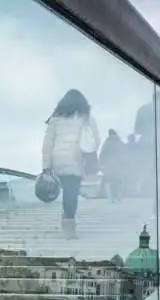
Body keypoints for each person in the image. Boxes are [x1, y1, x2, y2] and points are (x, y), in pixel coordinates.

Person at [41, 89, 100, 239]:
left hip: (58, 159)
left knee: (67, 190)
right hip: (76, 159)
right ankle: (69, 227)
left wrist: (46, 165)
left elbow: (47, 144)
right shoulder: (86, 118)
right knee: (71, 192)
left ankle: (66, 218)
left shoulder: (55, 119)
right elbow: (95, 141)